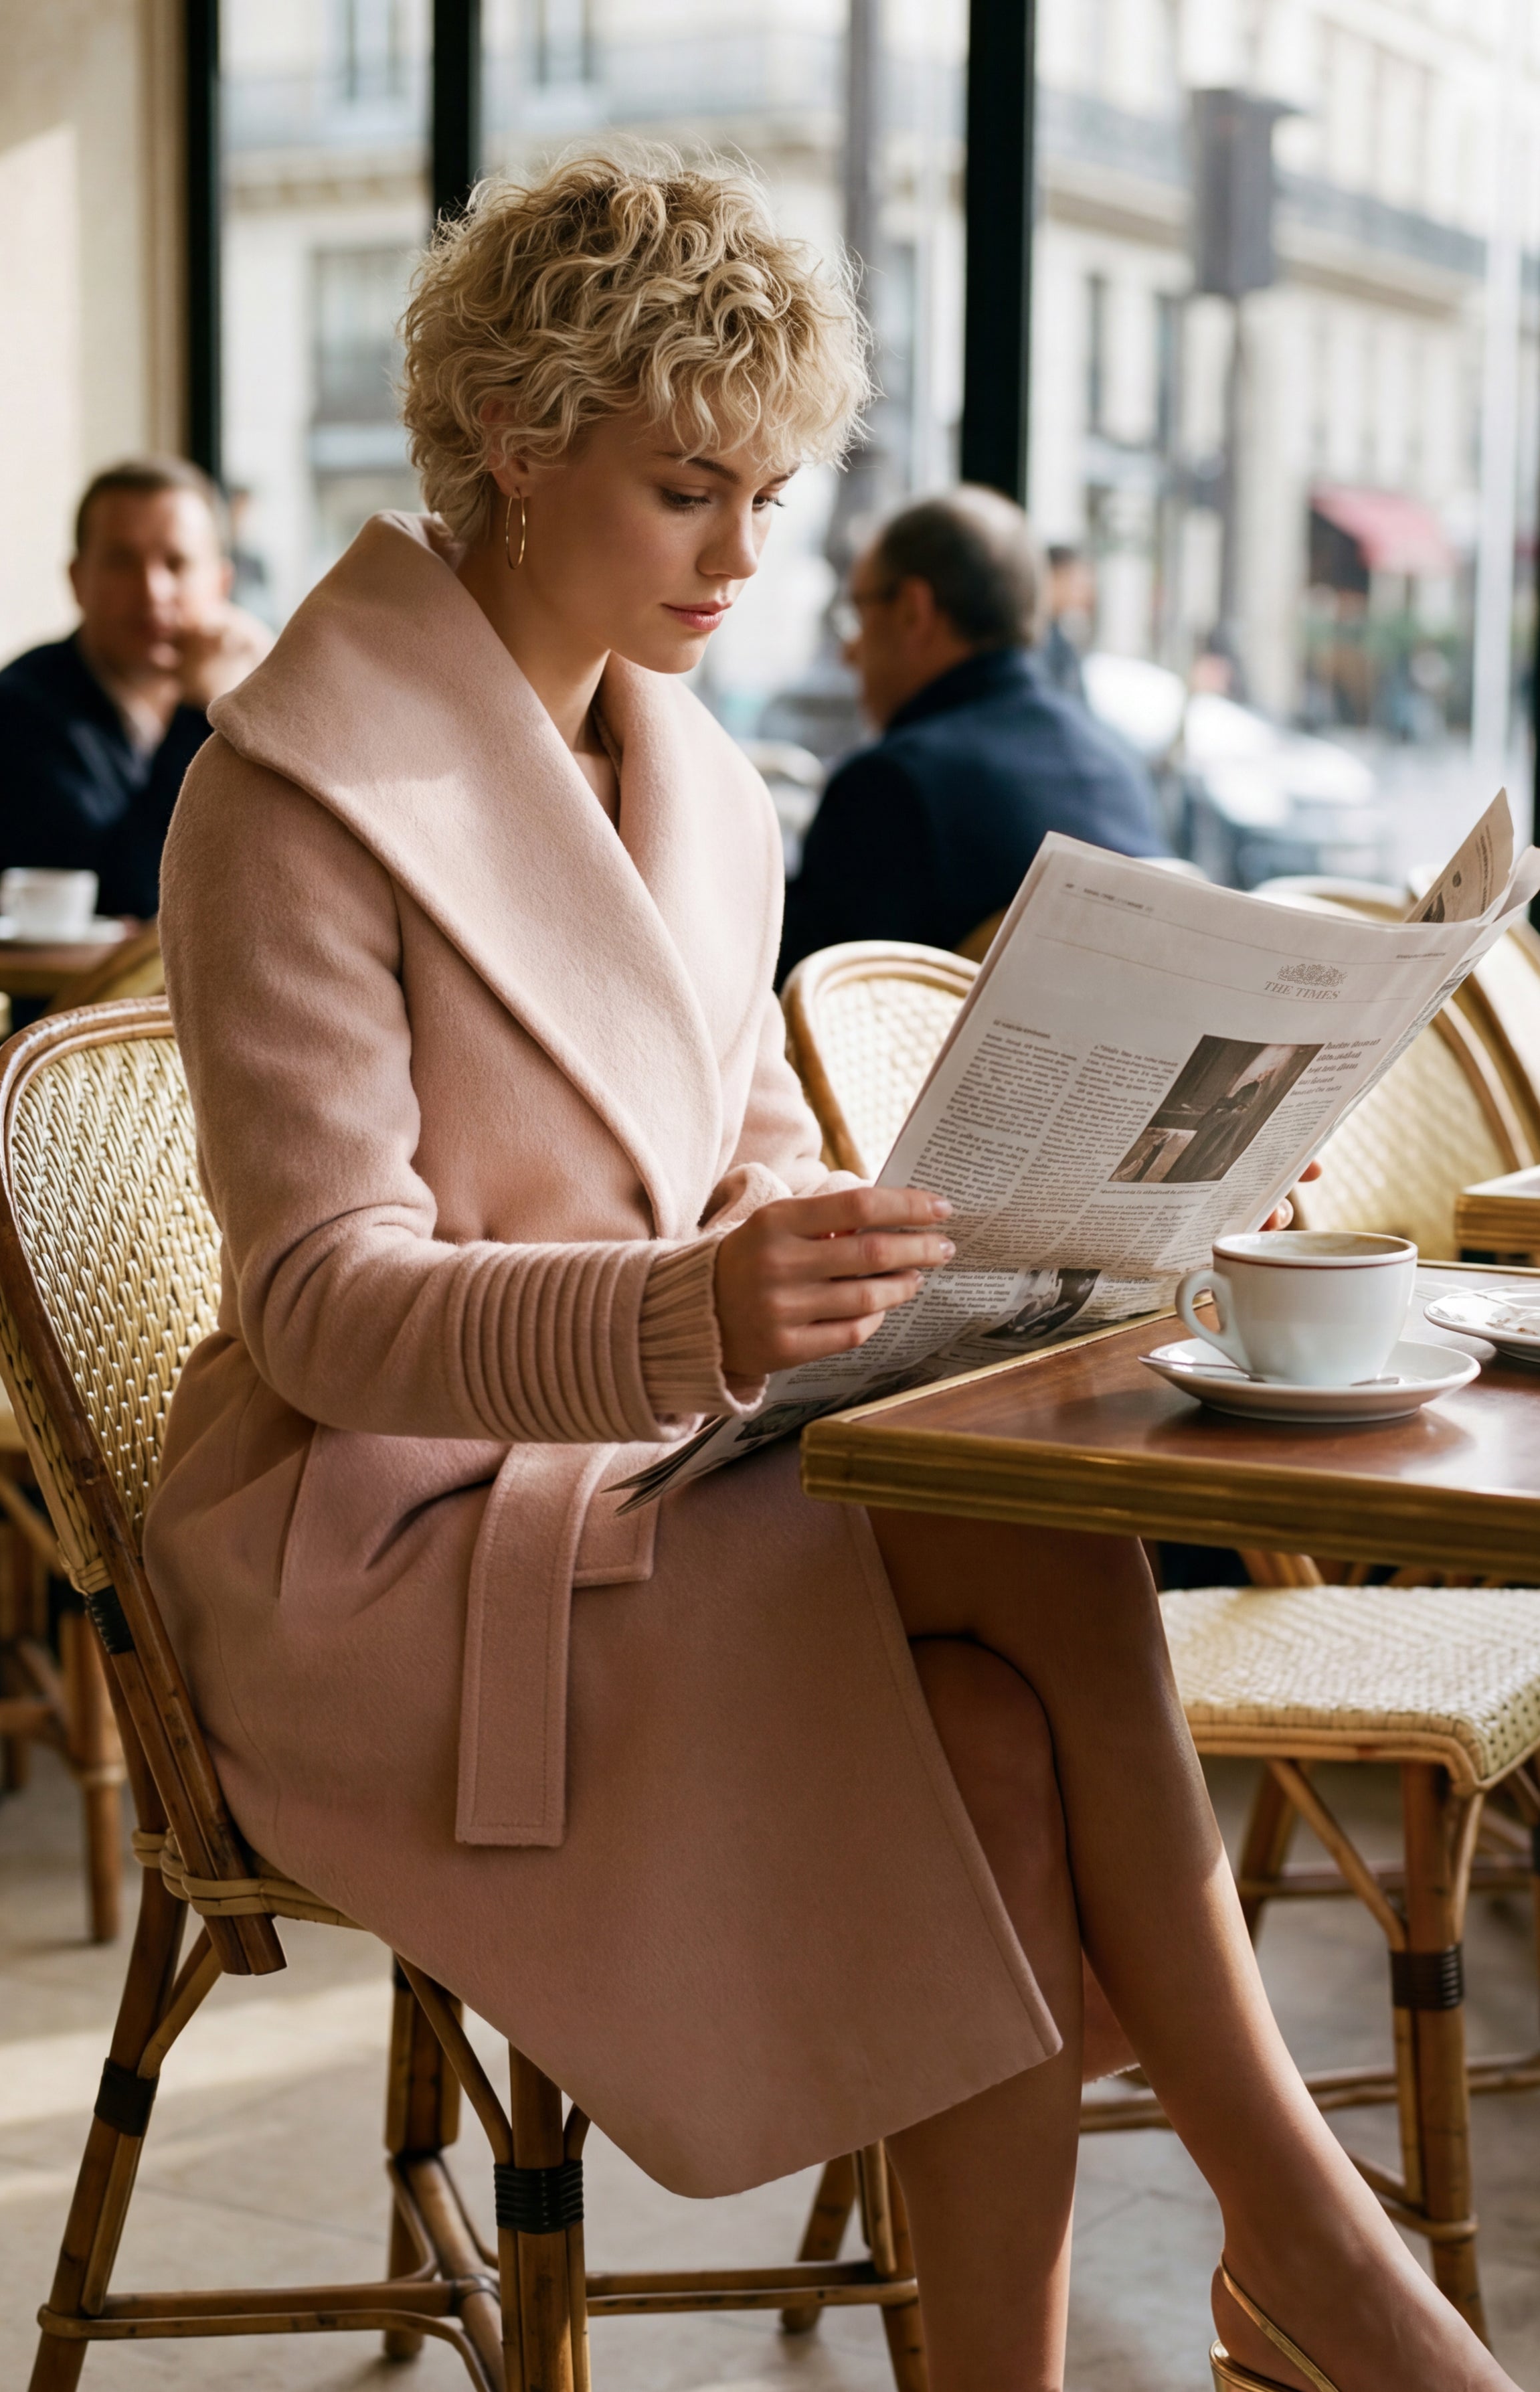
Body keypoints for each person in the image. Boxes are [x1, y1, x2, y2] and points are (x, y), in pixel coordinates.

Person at [141, 152, 1510, 2392]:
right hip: (374, 1554)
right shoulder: (286, 791)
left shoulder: (698, 780)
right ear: (519, 428)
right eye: (689, 487)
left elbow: (773, 1188)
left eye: (773, 495)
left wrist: (1120, 1215)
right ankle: (1314, 2252)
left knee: (987, 1733)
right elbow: (318, 1300)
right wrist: (692, 1312)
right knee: (1031, 1560)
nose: (750, 561)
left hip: (628, 1489)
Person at [777, 489, 1168, 980]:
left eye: (858, 613)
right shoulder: (1114, 765)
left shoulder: (890, 787)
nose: (848, 653)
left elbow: (794, 1005)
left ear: (913, 612)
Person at [0, 456, 271, 926]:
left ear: (221, 583)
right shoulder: (8, 714)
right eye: (122, 562)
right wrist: (199, 715)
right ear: (78, 580)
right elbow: (126, 893)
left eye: (176, 563)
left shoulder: (248, 702)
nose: (152, 590)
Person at [1041, 541, 1094, 700]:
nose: (1085, 594)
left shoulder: (1059, 638)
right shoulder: (1036, 640)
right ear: (1053, 577)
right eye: (1077, 583)